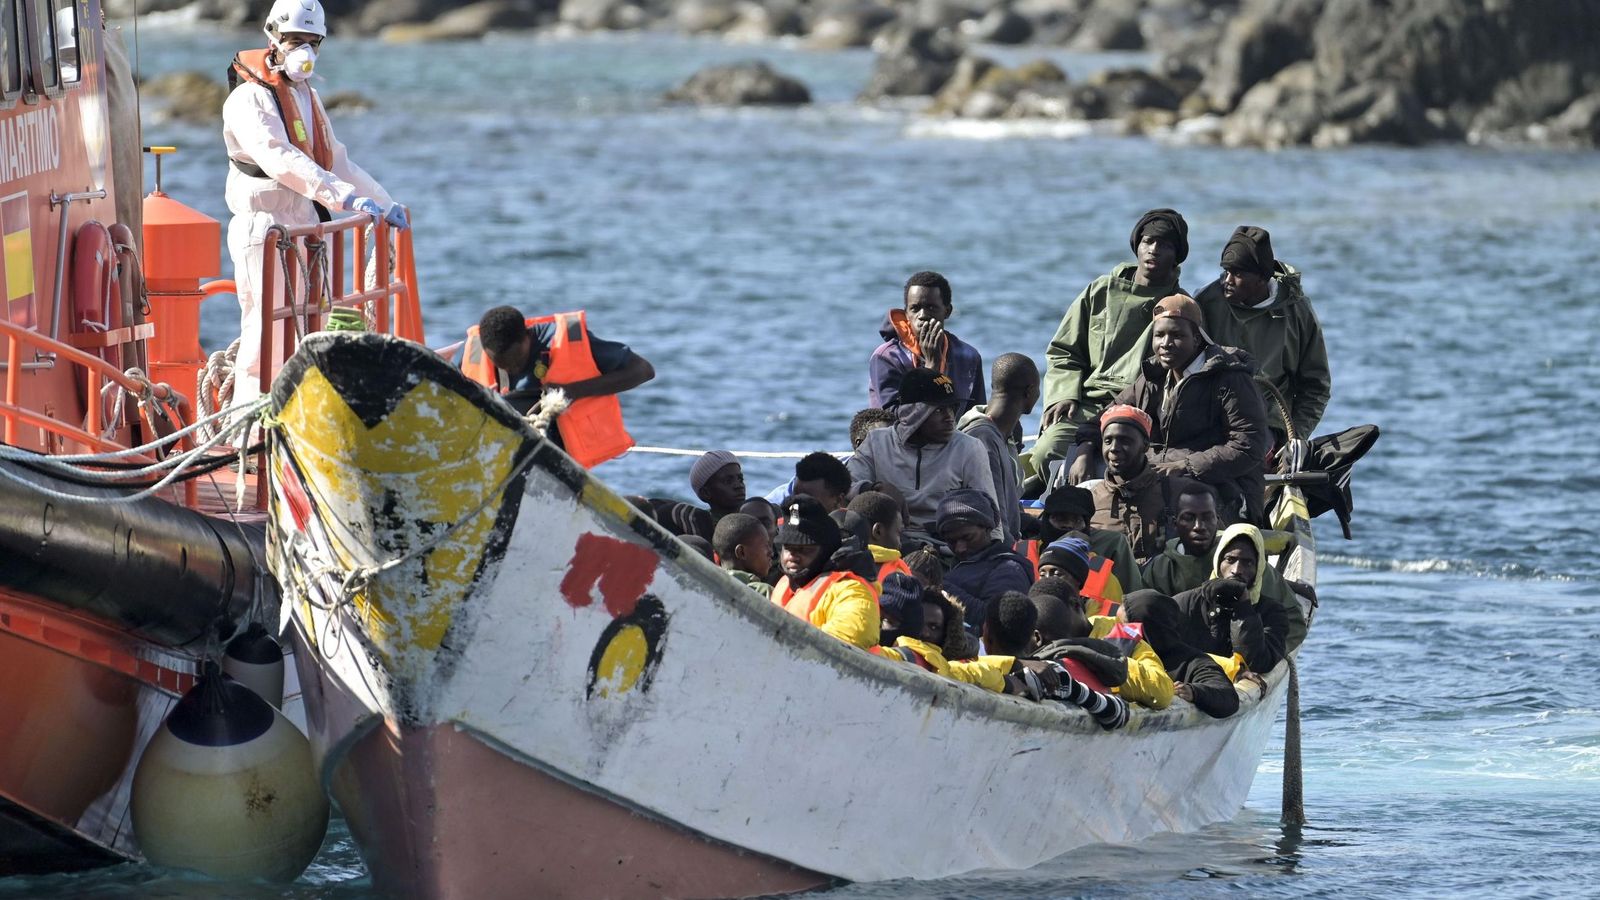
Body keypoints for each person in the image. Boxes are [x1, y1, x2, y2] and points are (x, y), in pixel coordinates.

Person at [223, 0, 410, 404]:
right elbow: (279, 158)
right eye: (294, 41)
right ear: (273, 37)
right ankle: (250, 428)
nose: (302, 51)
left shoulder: (307, 96)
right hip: (265, 226)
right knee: (265, 335)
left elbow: (335, 158)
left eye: (311, 42)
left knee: (312, 326)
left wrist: (382, 201)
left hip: (307, 226)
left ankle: (302, 416)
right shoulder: (249, 99)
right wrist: (342, 196)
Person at [1072, 295, 1271, 525]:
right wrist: (1085, 448)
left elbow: (1247, 447)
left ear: (1197, 339)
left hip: (1223, 489)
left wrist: (1185, 467)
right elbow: (1107, 417)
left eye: (1176, 335)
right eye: (1159, 335)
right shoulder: (1153, 378)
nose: (1165, 343)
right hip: (1155, 479)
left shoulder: (1231, 380)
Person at [1033, 208, 1189, 478]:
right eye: (1148, 241)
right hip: (1087, 403)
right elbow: (1064, 352)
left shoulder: (1180, 307)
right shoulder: (1101, 290)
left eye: (1164, 245)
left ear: (1176, 255)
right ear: (1137, 245)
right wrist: (1063, 394)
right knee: (1047, 451)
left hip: (1143, 407)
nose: (1153, 249)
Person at [1195, 226, 1331, 443]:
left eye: (1238, 274)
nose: (1227, 280)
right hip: (1210, 416)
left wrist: (1294, 438)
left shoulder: (1297, 312)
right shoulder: (1205, 302)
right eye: (1226, 271)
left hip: (1268, 424)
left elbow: (1316, 386)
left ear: (1261, 278)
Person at [848, 369, 998, 536]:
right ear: (912, 413)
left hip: (951, 547)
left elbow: (990, 515)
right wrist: (876, 489)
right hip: (889, 543)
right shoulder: (877, 443)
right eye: (939, 410)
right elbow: (846, 486)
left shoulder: (969, 448)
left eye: (952, 408)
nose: (950, 418)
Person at [475, 305, 655, 417]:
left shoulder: (567, 342)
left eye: (516, 361)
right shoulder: (474, 353)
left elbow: (643, 370)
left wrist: (573, 391)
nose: (512, 369)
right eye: (502, 365)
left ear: (527, 336)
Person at [1029, 577, 1173, 710]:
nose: (1048, 622)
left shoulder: (1122, 636)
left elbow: (1162, 691)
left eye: (1056, 613)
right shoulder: (1038, 640)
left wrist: (1101, 664)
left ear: (1075, 605)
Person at [1174, 524, 1300, 668]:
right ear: (1218, 561)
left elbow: (1257, 662)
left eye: (1248, 563)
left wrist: (1244, 605)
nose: (1237, 570)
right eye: (1230, 560)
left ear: (1258, 568)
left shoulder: (1272, 613)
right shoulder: (1187, 604)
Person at [869, 271, 986, 414]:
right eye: (915, 308)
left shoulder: (968, 356)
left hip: (953, 435)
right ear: (906, 313)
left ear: (947, 311)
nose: (922, 315)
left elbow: (975, 415)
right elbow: (897, 420)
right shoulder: (887, 357)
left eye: (931, 307)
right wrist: (931, 366)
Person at [770, 496, 879, 650]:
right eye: (788, 548)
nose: (792, 557)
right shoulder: (784, 584)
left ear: (826, 551)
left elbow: (852, 636)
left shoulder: (852, 591)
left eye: (804, 549)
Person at [958, 353, 1040, 545]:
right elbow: (995, 517)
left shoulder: (1003, 434)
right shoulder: (983, 438)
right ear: (1029, 391)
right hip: (996, 548)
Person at [1077, 404, 1176, 560]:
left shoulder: (1175, 493)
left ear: (1145, 446)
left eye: (1125, 440)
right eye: (1108, 441)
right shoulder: (1089, 498)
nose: (1114, 448)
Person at [1119, 591, 1237, 718]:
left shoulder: (1191, 662)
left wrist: (1193, 692)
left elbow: (1228, 697)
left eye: (1122, 627)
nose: (1115, 633)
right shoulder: (1112, 646)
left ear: (1150, 628)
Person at [938, 490, 1033, 633]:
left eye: (968, 537)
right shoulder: (957, 563)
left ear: (987, 528)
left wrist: (939, 586)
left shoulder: (1009, 569)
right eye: (951, 541)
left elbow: (998, 622)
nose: (960, 548)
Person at [1033, 485, 1141, 596]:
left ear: (1087, 523)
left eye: (1076, 520)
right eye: (1061, 519)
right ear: (1046, 520)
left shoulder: (1112, 543)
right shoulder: (1027, 547)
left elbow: (1132, 593)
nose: (1069, 525)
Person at [1141, 480, 1223, 596]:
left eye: (1207, 517)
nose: (1199, 526)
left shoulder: (1232, 556)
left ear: (1217, 520)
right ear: (1175, 524)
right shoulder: (1161, 568)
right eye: (1189, 518)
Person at [846, 490, 911, 587]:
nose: (900, 542)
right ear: (878, 531)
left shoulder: (828, 568)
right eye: (898, 533)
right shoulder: (897, 577)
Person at [713, 513, 773, 598]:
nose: (771, 552)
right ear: (741, 552)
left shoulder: (707, 582)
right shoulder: (763, 591)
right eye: (765, 545)